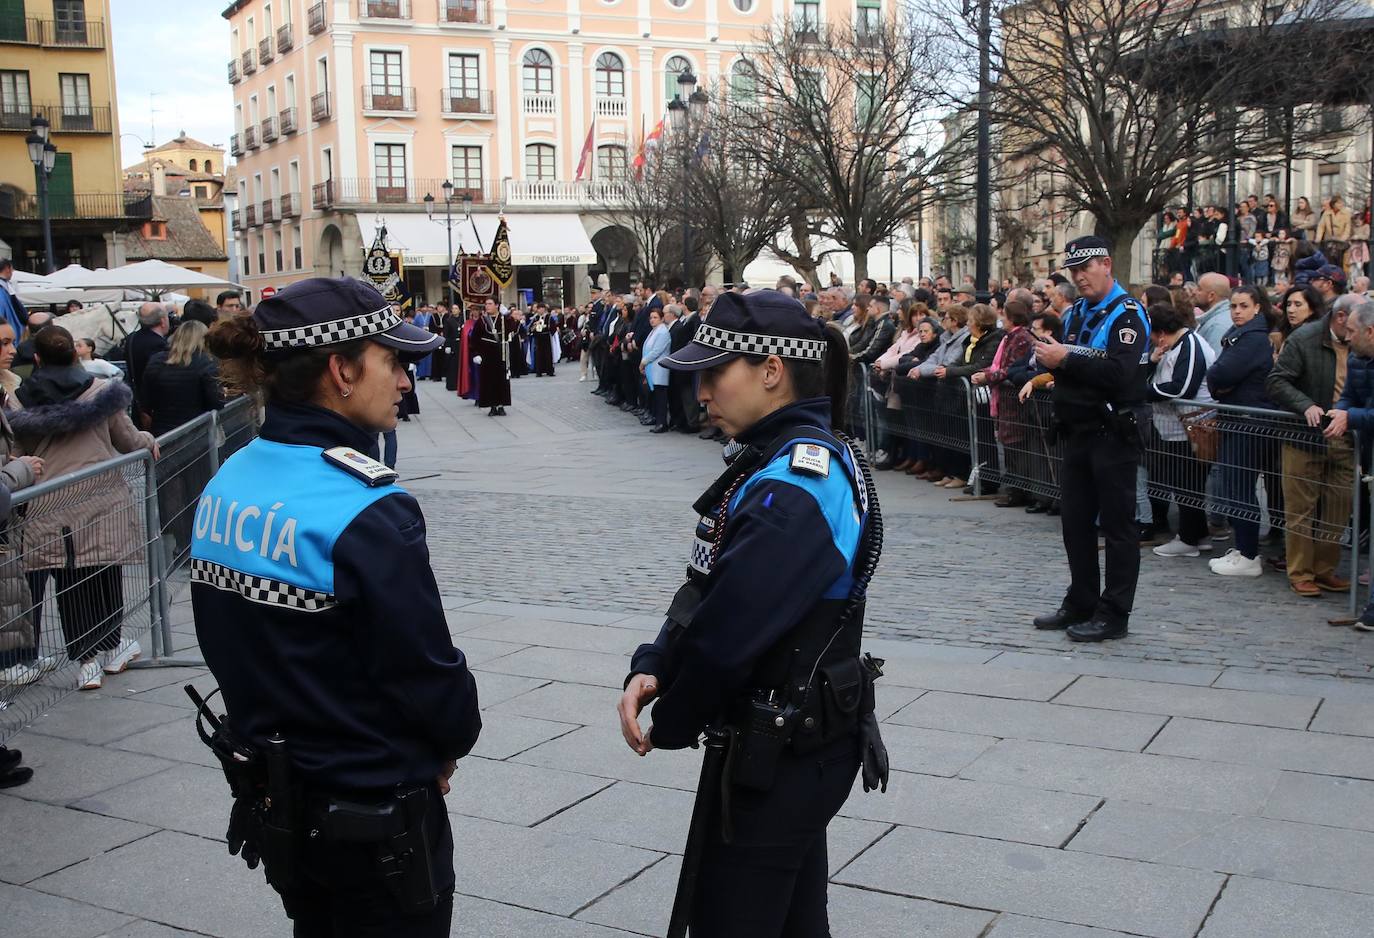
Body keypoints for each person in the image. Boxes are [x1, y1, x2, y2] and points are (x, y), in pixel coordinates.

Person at [191, 277, 482, 935]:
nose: (406, 380)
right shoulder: (367, 507)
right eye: (394, 361)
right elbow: (426, 674)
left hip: (282, 798)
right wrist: (446, 744)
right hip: (375, 814)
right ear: (341, 369)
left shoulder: (227, 482)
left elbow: (228, 643)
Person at [618, 289, 887, 937]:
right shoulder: (772, 462)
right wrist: (654, 660)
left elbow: (728, 632)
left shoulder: (796, 480)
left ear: (771, 370)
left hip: (787, 745)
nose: (701, 390)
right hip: (786, 739)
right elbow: (706, 582)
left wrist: (675, 717)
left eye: (716, 372)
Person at [9, 325, 156, 691]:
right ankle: (111, 647)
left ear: (37, 358)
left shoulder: (18, 399)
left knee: (70, 582)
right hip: (101, 500)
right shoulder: (101, 393)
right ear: (76, 355)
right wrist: (149, 440)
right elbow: (129, 440)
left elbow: (12, 455)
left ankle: (86, 661)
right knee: (104, 576)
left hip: (48, 505)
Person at [1031, 236, 1151, 642]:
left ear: (1106, 264)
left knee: (1118, 528)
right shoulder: (1078, 311)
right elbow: (1075, 361)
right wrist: (1050, 359)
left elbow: (1119, 373)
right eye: (1073, 271)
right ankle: (1081, 599)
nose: (1079, 277)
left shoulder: (1128, 314)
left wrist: (1064, 359)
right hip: (1079, 429)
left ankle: (1115, 612)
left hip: (1113, 432)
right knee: (1075, 524)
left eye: (1086, 268)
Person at [1265, 294, 1356, 596]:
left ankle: (1324, 569)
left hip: (1343, 435)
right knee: (1301, 509)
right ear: (1342, 318)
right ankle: (1301, 572)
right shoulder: (1305, 338)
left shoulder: (1358, 342)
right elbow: (1277, 381)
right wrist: (1305, 405)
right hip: (1304, 436)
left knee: (1338, 507)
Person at [1205, 285, 1277, 577]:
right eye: (1233, 306)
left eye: (1244, 306)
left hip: (1249, 421)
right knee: (1235, 486)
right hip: (1238, 417)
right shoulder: (1243, 337)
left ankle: (1248, 553)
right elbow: (1217, 375)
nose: (1237, 312)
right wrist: (1219, 383)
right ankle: (1242, 548)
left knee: (1241, 486)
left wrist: (1219, 381)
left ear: (1258, 307)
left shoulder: (1253, 339)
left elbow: (1219, 372)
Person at [0, 321, 47, 688]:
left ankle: (15, 660)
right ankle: (10, 663)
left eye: (12, 342)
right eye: (3, 343)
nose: (11, 350)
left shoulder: (9, 388)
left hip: (8, 513)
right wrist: (20, 470)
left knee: (13, 586)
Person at [471, 298, 511, 416]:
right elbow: (474, 338)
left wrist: (508, 314)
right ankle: (492, 405)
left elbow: (513, 328)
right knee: (489, 381)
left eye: (490, 304)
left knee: (501, 380)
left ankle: (501, 405)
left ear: (497, 305)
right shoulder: (482, 320)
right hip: (486, 355)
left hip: (501, 353)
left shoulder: (503, 319)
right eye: (486, 304)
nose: (487, 306)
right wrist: (476, 353)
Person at [640, 306, 672, 432]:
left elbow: (657, 351)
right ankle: (657, 419)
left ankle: (662, 423)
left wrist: (644, 361)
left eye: (655, 317)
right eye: (651, 318)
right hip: (652, 369)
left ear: (661, 318)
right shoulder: (654, 330)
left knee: (661, 398)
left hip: (659, 369)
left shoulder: (663, 332)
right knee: (655, 397)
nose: (652, 320)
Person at [0, 258, 27, 339]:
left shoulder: (7, 287)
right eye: (12, 269)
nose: (12, 272)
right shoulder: (3, 290)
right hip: (8, 337)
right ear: (7, 269)